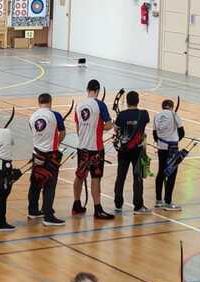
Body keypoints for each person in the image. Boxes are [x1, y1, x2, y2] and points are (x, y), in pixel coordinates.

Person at [70, 81, 114, 220]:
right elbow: (108, 125)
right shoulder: (100, 105)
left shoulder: (79, 105)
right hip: (96, 149)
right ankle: (98, 209)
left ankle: (76, 204)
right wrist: (105, 127)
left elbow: (78, 127)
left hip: (82, 147)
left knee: (79, 175)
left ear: (87, 89)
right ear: (98, 90)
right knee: (96, 178)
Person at [27, 93, 67, 225]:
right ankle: (48, 215)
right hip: (51, 156)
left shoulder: (32, 116)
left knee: (35, 182)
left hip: (37, 154)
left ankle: (32, 211)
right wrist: (57, 143)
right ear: (50, 102)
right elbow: (62, 133)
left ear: (39, 102)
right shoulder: (55, 115)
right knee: (50, 185)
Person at [112, 90, 150, 212]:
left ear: (127, 102)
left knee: (121, 176)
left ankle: (118, 204)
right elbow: (144, 124)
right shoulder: (144, 114)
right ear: (138, 101)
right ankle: (138, 205)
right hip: (137, 151)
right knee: (138, 177)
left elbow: (116, 129)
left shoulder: (122, 115)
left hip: (124, 150)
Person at [153, 98, 183, 211]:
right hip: (172, 149)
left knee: (161, 172)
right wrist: (175, 139)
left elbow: (154, 134)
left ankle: (158, 200)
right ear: (171, 106)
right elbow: (182, 132)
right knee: (171, 173)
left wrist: (161, 142)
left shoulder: (157, 116)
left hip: (161, 148)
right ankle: (168, 202)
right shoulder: (174, 114)